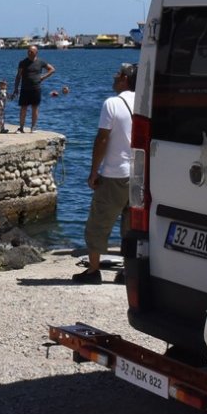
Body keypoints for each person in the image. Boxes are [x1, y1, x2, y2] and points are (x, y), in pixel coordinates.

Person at [74, 62, 137, 284]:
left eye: (118, 74)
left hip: (115, 173)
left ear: (125, 79)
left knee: (99, 223)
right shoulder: (144, 102)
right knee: (131, 225)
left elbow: (102, 138)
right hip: (139, 174)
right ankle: (128, 271)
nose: (114, 76)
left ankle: (93, 270)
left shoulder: (112, 103)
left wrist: (94, 171)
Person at [13, 44, 55, 133]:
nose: (29, 53)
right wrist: (16, 88)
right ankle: (21, 128)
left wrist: (43, 77)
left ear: (36, 52)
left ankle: (33, 127)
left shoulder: (41, 62)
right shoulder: (23, 62)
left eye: (31, 52)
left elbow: (52, 69)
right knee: (23, 108)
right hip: (24, 88)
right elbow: (18, 76)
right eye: (28, 51)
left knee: (35, 108)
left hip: (36, 88)